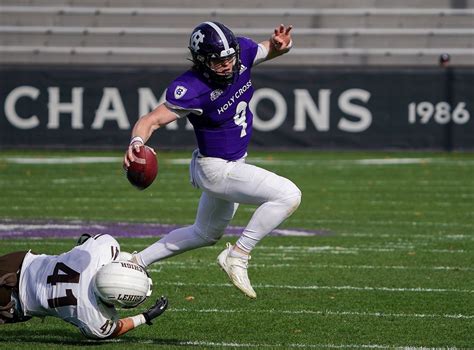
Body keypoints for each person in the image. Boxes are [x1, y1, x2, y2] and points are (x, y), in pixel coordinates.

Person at [123, 22, 302, 299]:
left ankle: (136, 262)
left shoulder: (241, 52)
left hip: (233, 164)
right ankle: (238, 255)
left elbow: (268, 50)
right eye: (218, 61)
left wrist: (281, 47)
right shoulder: (192, 87)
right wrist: (137, 141)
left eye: (230, 58)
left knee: (204, 233)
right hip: (216, 169)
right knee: (288, 195)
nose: (227, 66)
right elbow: (151, 120)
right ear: (201, 60)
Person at [0, 233, 168, 339]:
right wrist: (144, 317)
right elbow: (114, 329)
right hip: (14, 301)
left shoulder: (104, 247)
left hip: (18, 262)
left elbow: (93, 240)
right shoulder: (93, 319)